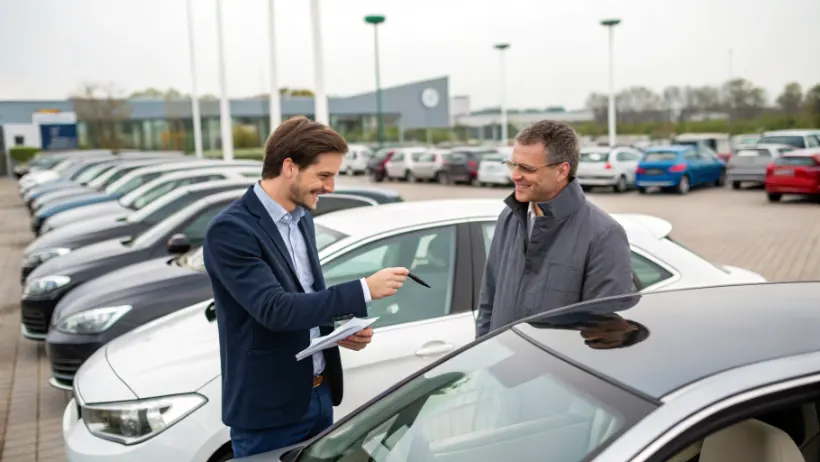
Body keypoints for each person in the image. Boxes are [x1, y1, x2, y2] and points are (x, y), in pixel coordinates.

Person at [202, 116, 409, 458]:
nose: (330, 187)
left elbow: (306, 300)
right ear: (289, 167)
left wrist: (338, 332)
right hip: (269, 413)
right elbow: (275, 309)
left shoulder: (302, 220)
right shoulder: (230, 231)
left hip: (319, 396)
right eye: (323, 175)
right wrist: (363, 290)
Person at [475, 119, 633, 338]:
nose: (515, 175)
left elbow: (604, 337)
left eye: (526, 168)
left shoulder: (604, 236)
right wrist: (484, 355)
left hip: (555, 372)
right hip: (502, 368)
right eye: (513, 165)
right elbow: (488, 302)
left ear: (561, 171)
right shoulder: (510, 217)